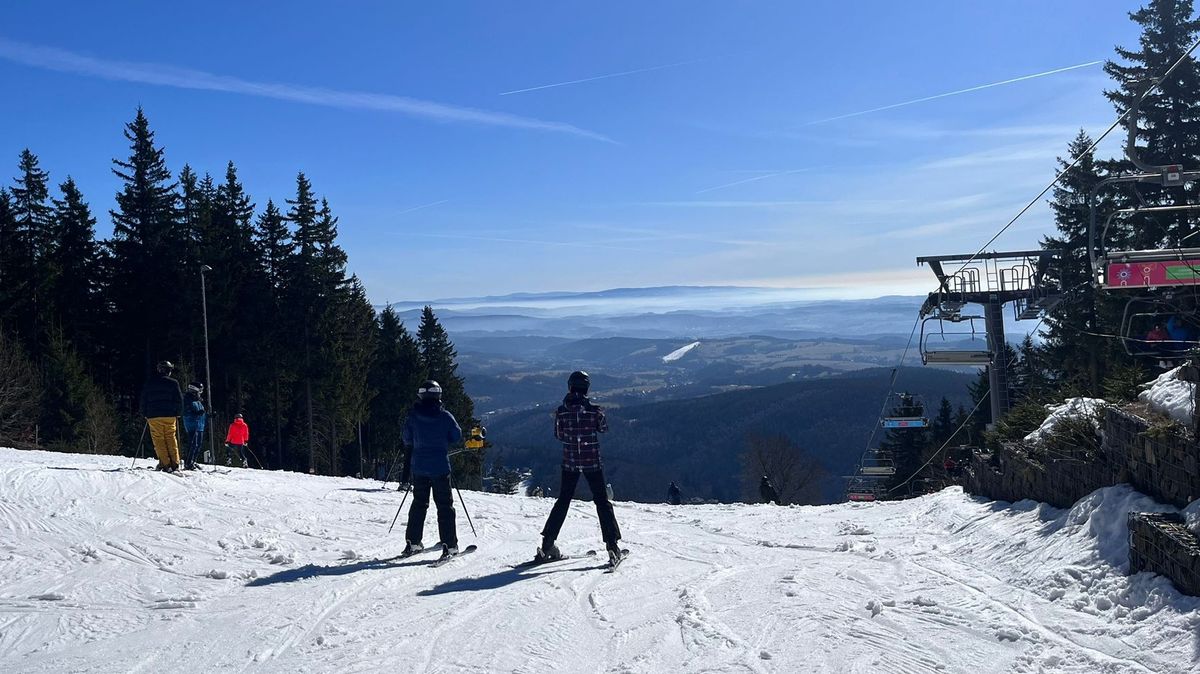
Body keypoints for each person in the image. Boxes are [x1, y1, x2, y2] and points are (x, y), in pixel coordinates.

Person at [537, 371, 623, 564]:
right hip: (592, 462)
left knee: (563, 500)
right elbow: (603, 428)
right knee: (602, 502)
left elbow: (559, 435)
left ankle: (548, 543)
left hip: (570, 463)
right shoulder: (593, 410)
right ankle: (612, 546)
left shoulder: (561, 411)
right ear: (587, 389)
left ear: (570, 387)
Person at [402, 380, 463, 558]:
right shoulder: (445, 416)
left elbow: (406, 439)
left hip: (419, 467)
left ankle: (413, 542)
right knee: (444, 506)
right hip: (440, 467)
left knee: (419, 504)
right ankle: (449, 545)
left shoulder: (413, 416)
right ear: (438, 395)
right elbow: (456, 436)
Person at [140, 360, 183, 472]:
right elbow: (179, 400)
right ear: (169, 371)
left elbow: (144, 399)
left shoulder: (150, 383)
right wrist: (178, 412)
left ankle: (165, 464)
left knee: (159, 439)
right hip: (169, 415)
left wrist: (144, 413)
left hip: (154, 415)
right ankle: (175, 463)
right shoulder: (174, 383)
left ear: (159, 370)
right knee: (171, 438)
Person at [182, 382, 206, 470]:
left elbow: (201, 411)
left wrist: (209, 415)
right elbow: (186, 411)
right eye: (200, 390)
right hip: (192, 424)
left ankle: (193, 461)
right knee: (193, 444)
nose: (201, 392)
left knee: (198, 444)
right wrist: (196, 413)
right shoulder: (188, 399)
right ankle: (188, 462)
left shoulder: (198, 400)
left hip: (200, 424)